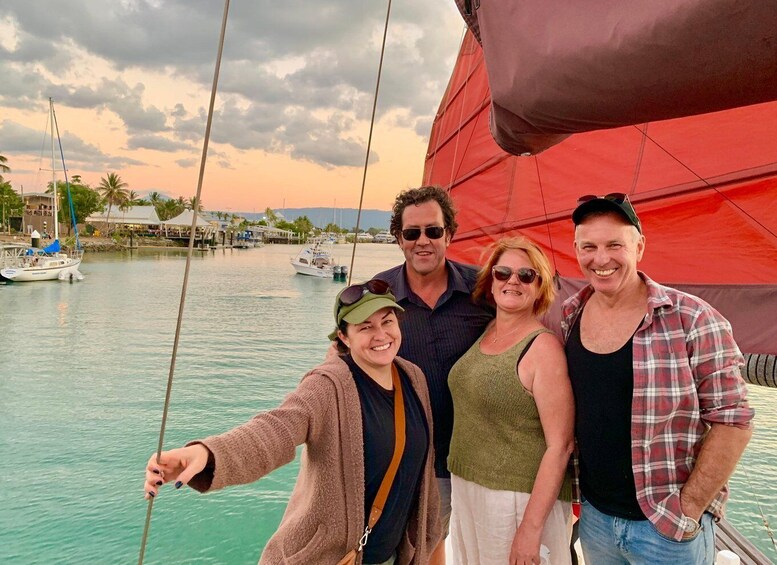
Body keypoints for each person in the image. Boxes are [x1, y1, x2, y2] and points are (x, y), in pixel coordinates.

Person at [143, 281, 440, 565]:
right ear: (343, 338)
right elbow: (276, 429)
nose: (380, 334)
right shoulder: (327, 386)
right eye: (365, 327)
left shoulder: (412, 378)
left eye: (387, 321)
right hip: (330, 558)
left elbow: (420, 475)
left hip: (394, 555)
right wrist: (209, 454)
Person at [562, 193, 754, 564]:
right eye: (589, 247)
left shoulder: (692, 318)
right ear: (577, 249)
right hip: (595, 519)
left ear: (640, 246)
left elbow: (734, 420)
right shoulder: (572, 314)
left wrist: (689, 507)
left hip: (664, 529)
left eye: (615, 245)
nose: (601, 259)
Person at [375, 186, 494, 560]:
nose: (422, 241)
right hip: (415, 458)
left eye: (433, 231)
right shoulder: (378, 296)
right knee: (422, 549)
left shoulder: (485, 289)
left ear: (450, 234)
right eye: (412, 233)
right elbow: (345, 362)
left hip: (482, 456)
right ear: (399, 239)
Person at [447, 237, 575, 565]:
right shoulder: (488, 329)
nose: (513, 281)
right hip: (469, 490)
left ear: (541, 287)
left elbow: (559, 446)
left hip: (515, 502)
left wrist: (530, 531)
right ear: (490, 282)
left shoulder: (543, 349)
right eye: (503, 273)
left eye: (526, 275)